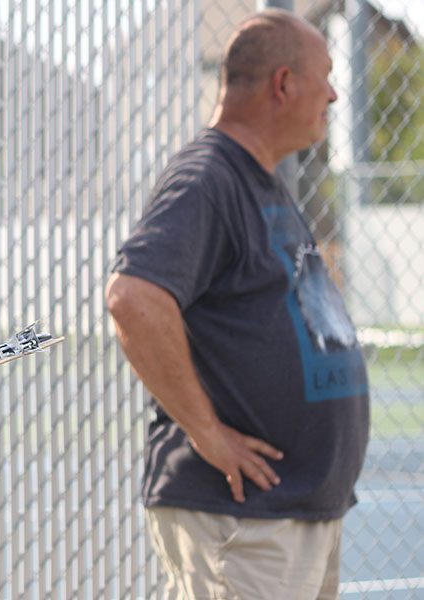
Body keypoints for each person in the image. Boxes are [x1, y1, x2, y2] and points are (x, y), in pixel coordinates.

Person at [105, 9, 369, 600]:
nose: (332, 93)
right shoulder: (208, 178)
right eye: (323, 76)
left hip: (290, 513)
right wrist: (206, 432)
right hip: (244, 520)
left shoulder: (260, 178)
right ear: (283, 84)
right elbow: (133, 297)